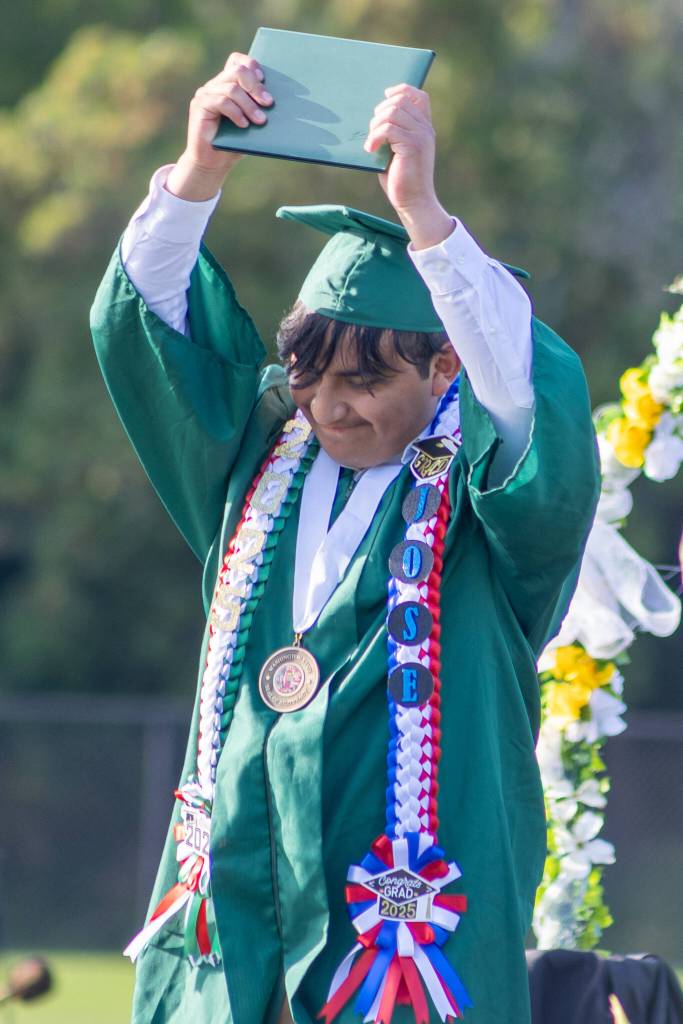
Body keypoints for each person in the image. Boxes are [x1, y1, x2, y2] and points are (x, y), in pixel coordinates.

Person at [90, 50, 600, 1024]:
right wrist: (200, 169)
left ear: (441, 364)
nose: (327, 407)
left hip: (404, 937)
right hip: (238, 904)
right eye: (307, 376)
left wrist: (424, 216)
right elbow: (147, 326)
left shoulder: (492, 514)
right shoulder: (253, 466)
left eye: (363, 381)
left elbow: (526, 392)